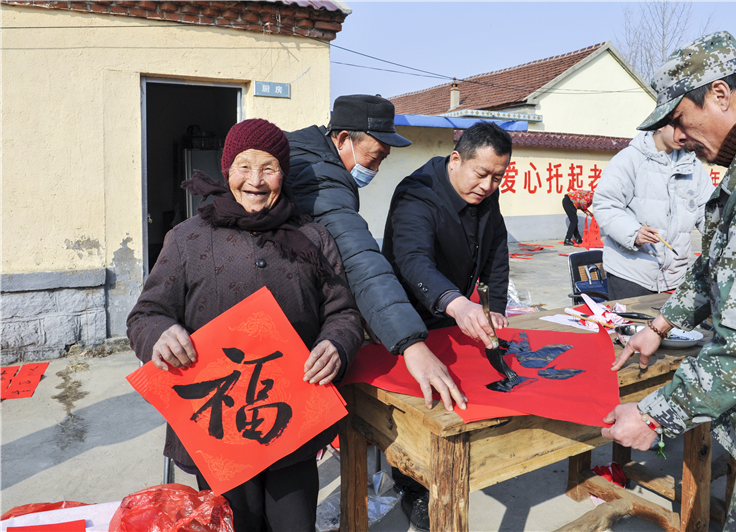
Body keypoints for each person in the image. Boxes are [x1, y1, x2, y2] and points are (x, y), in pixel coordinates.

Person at [601, 31, 736, 531]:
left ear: (719, 93)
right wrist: (662, 324)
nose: (679, 135)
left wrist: (655, 415)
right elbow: (715, 266)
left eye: (679, 119)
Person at [126, 119, 363, 532]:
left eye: (268, 167)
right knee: (235, 524)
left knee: (295, 524)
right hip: (219, 426)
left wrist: (337, 345)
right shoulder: (188, 238)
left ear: (283, 174)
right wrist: (159, 336)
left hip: (293, 421)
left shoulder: (313, 237)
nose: (255, 180)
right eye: (243, 166)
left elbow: (344, 314)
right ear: (226, 171)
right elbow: (145, 316)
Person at [286, 95, 468, 412]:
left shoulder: (307, 153)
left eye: (383, 159)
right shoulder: (319, 177)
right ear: (343, 139)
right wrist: (411, 343)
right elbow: (360, 259)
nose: (377, 168)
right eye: (374, 157)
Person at [382, 121, 512, 531]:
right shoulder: (416, 195)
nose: (488, 185)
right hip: (410, 313)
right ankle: (412, 484)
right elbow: (412, 259)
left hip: (452, 311)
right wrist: (455, 302)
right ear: (456, 159)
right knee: (419, 407)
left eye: (498, 176)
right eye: (481, 174)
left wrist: (496, 306)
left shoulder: (486, 197)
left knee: (461, 396)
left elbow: (497, 251)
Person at [593, 124, 713, 299]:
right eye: (679, 127)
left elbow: (708, 213)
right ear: (661, 124)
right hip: (631, 273)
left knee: (668, 327)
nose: (684, 135)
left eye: (689, 127)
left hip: (676, 276)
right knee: (633, 326)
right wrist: (633, 233)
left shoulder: (694, 166)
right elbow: (606, 203)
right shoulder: (630, 158)